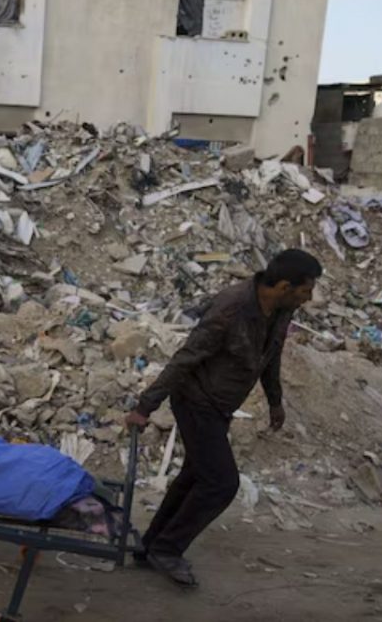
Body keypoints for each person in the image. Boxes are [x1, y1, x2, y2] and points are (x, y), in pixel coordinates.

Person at [124, 249, 322, 587]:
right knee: (221, 483)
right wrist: (146, 406)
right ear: (286, 286)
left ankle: (151, 546)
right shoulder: (230, 308)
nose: (310, 298)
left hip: (219, 405)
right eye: (306, 290)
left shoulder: (282, 309)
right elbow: (186, 358)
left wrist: (275, 401)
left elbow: (271, 356)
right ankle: (168, 549)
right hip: (195, 400)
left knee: (195, 475)